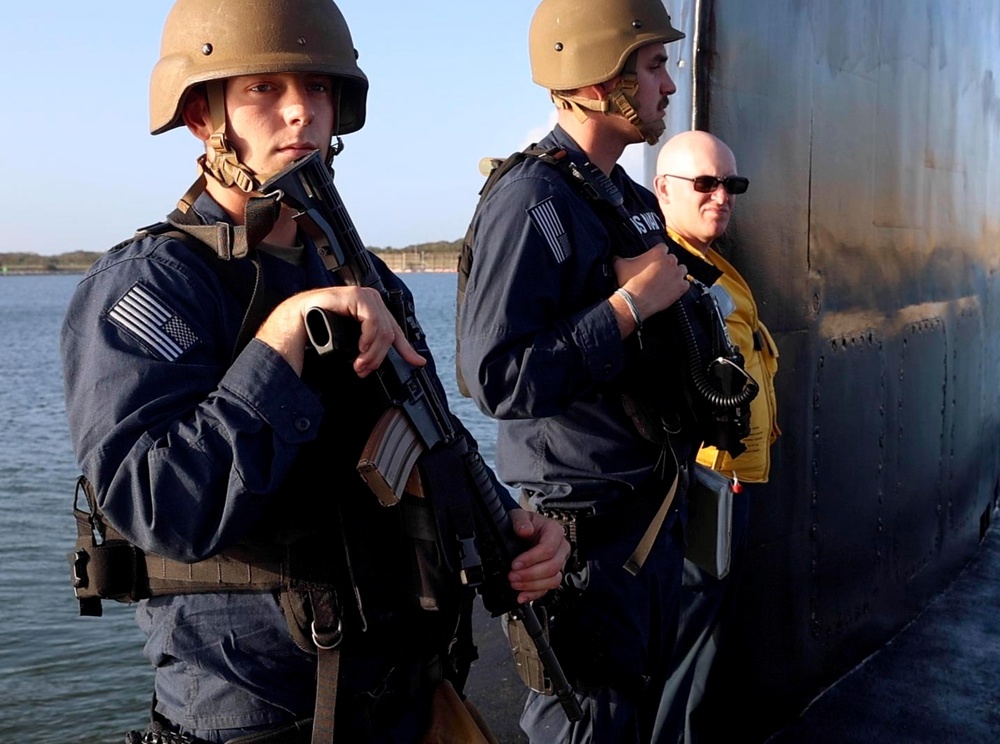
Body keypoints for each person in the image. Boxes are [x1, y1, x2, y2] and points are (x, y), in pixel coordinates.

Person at [60, 1, 569, 742]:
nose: (301, 113)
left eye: (320, 88)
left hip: (400, 689)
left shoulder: (360, 274)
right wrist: (281, 340)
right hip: (260, 715)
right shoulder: (153, 285)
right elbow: (160, 506)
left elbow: (423, 420)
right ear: (203, 116)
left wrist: (510, 526)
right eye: (264, 89)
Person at [456, 1, 754, 741]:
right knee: (587, 721)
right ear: (595, 82)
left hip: (649, 527)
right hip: (581, 540)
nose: (668, 86)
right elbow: (492, 377)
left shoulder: (625, 200)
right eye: (653, 67)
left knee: (639, 714)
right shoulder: (531, 201)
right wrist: (626, 306)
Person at [650, 131, 780, 744]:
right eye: (704, 184)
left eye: (731, 185)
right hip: (698, 487)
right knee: (679, 649)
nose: (721, 196)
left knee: (702, 648)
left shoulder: (712, 264)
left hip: (734, 481)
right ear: (663, 191)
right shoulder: (664, 269)